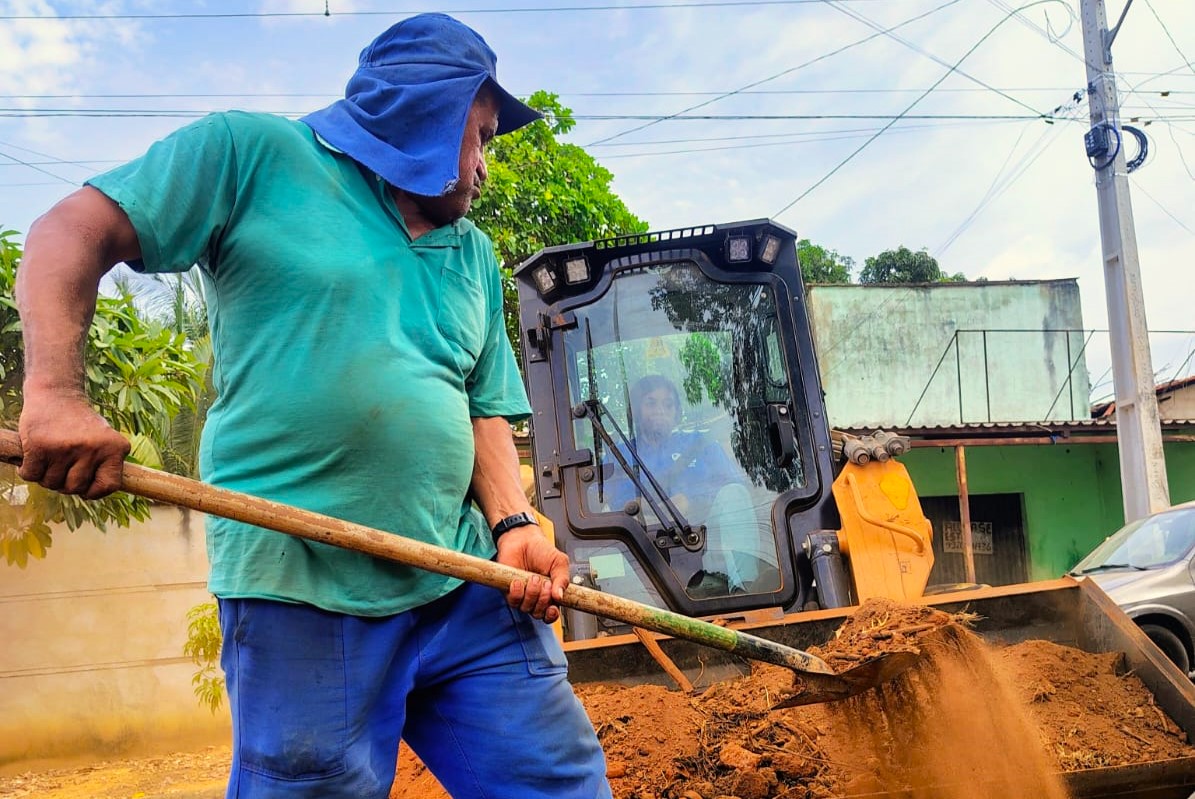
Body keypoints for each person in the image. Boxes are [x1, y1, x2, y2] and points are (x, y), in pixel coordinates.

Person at [15, 13, 609, 799]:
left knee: (556, 780)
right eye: (482, 135)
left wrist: (514, 524)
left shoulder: (470, 254)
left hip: (462, 582)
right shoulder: (252, 157)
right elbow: (68, 232)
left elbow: (480, 404)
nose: (485, 167)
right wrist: (54, 394)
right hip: (303, 586)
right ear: (428, 111)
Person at [605, 374, 779, 596]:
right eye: (651, 402)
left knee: (734, 495)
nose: (661, 409)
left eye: (668, 404)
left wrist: (693, 500)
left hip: (707, 538)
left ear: (677, 413)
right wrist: (663, 506)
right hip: (644, 549)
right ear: (635, 412)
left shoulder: (701, 444)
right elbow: (615, 504)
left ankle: (745, 589)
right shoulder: (619, 454)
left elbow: (735, 487)